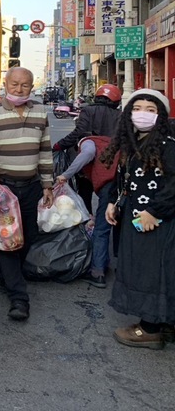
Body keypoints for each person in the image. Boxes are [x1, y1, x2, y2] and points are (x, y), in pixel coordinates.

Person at [0, 66, 54, 322]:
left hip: (31, 187)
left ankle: (6, 279)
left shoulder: (40, 111)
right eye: (14, 84)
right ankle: (19, 298)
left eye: (25, 85)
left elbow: (45, 150)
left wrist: (47, 184)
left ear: (31, 87)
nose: (19, 89)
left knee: (28, 238)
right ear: (5, 84)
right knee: (7, 241)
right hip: (3, 190)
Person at [104, 88, 175, 350]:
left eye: (150, 110)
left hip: (159, 222)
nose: (142, 114)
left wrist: (155, 211)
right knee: (145, 270)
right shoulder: (132, 143)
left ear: (161, 115)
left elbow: (172, 184)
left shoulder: (168, 145)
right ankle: (163, 323)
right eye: (137, 108)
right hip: (135, 219)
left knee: (154, 273)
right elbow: (124, 178)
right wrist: (112, 202)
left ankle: (150, 329)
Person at [54, 131, 119, 288]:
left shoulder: (87, 141)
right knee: (120, 227)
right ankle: (121, 267)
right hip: (123, 186)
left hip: (110, 188)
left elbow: (88, 153)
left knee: (101, 229)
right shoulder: (108, 140)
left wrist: (65, 175)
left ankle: (97, 272)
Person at [53, 84, 122, 215]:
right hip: (109, 162)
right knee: (107, 196)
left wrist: (60, 145)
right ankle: (103, 221)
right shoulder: (120, 115)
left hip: (86, 164)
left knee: (85, 192)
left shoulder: (88, 111)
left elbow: (78, 132)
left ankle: (87, 219)